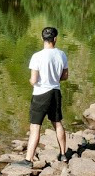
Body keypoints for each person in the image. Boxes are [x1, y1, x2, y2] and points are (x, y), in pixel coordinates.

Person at [18, 26, 69, 167]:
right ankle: (63, 154)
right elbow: (65, 76)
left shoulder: (37, 56)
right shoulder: (62, 55)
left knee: (35, 127)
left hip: (41, 94)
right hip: (55, 92)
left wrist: (31, 81)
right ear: (55, 39)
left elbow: (34, 80)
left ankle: (28, 159)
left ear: (42, 38)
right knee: (57, 123)